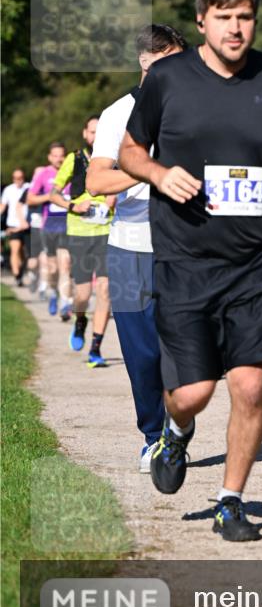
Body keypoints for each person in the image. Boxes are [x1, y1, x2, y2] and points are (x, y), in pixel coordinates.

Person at [119, 0, 262, 542]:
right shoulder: (167, 79)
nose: (237, 28)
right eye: (225, 17)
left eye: (246, 17)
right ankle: (175, 431)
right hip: (186, 259)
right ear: (202, 22)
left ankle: (231, 500)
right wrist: (161, 173)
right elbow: (130, 152)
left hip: (257, 260)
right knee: (193, 392)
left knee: (252, 386)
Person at [87, 24, 187, 473]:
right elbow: (96, 182)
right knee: (142, 355)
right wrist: (149, 171)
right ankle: (154, 434)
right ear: (146, 63)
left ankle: (178, 424)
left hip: (185, 246)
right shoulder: (118, 114)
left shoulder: (197, 110)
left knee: (185, 349)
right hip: (129, 249)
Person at [51, 117, 115, 367]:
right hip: (79, 233)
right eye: (93, 131)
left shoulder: (116, 160)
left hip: (108, 232)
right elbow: (53, 194)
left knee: (106, 289)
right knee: (82, 294)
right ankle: (80, 320)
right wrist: (73, 205)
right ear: (85, 134)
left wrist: (116, 194)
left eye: (102, 131)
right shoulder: (74, 158)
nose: (97, 136)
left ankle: (95, 348)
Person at [27, 143, 73, 319]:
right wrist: (51, 196)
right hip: (50, 225)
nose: (59, 159)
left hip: (68, 223)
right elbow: (30, 199)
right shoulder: (43, 174)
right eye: (55, 156)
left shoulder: (72, 172)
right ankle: (53, 293)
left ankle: (65, 304)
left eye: (62, 155)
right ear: (49, 157)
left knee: (66, 264)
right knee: (53, 268)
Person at [0, 169, 29, 285]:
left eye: (21, 177)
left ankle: (21, 271)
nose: (19, 180)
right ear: (13, 179)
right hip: (13, 224)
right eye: (16, 178)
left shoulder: (29, 187)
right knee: (15, 250)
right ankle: (17, 276)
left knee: (24, 252)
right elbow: (3, 205)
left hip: (28, 224)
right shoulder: (8, 190)